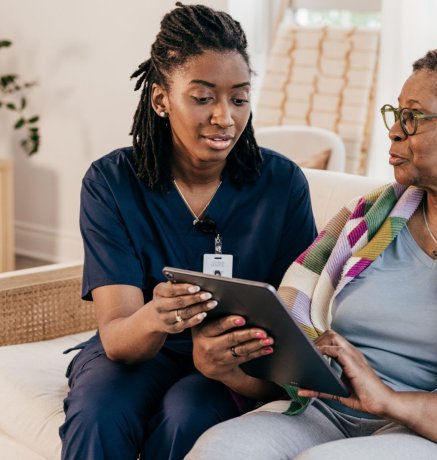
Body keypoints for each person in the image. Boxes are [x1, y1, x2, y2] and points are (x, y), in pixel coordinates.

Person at [188, 44, 437, 459]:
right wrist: (231, 369)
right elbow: (295, 361)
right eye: (396, 114)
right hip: (324, 410)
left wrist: (387, 399)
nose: (395, 130)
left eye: (414, 117)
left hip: (433, 435)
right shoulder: (365, 219)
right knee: (218, 448)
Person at [58, 3, 317, 459]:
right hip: (141, 344)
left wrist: (234, 366)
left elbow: (295, 327)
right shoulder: (112, 182)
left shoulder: (282, 185)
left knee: (187, 415)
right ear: (161, 100)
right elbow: (119, 340)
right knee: (99, 412)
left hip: (229, 362)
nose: (225, 117)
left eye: (239, 98)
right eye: (203, 98)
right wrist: (158, 315)